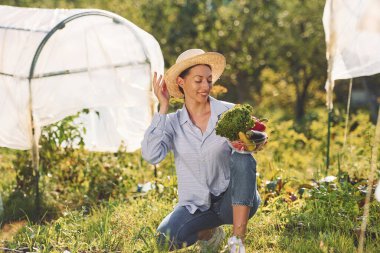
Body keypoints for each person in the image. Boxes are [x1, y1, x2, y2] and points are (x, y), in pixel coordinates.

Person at [141, 49, 261, 252]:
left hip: (231, 201)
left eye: (209, 80)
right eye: (198, 80)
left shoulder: (228, 112)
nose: (206, 86)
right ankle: (210, 233)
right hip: (196, 205)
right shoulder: (172, 123)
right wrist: (163, 107)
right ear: (181, 82)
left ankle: (237, 243)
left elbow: (254, 138)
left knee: (243, 159)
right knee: (164, 239)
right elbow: (152, 154)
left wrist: (253, 142)